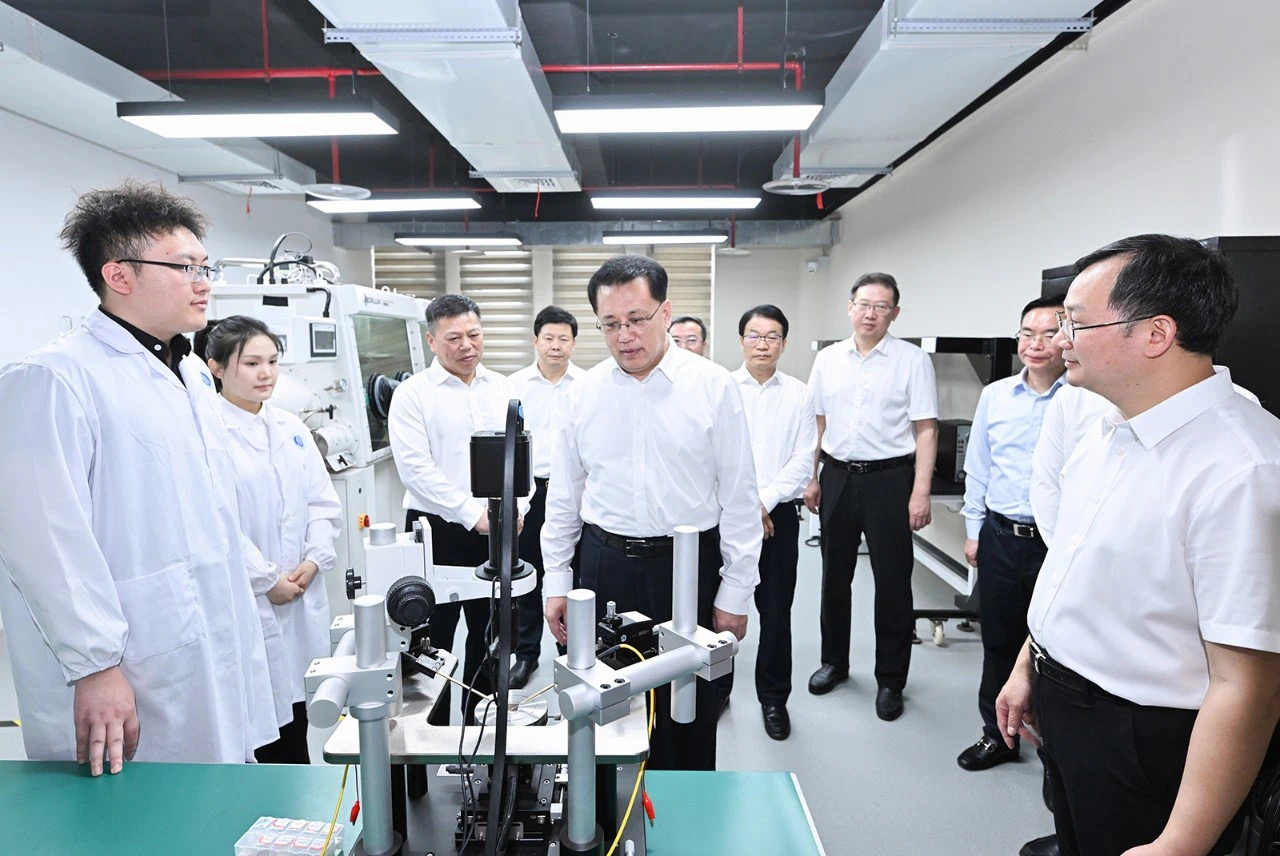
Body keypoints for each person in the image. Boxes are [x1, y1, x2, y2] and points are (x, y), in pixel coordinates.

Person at [997, 234, 1280, 856]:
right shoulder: (1108, 431)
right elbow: (1072, 572)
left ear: (1155, 333)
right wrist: (1028, 666)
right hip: (1064, 700)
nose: (1059, 340)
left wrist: (1180, 842)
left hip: (1142, 738)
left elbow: (1247, 687)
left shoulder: (1242, 467)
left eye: (1075, 322)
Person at [0, 181, 278, 775]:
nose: (205, 282)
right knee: (133, 810)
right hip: (127, 658)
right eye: (185, 267)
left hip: (205, 637)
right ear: (119, 276)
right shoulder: (53, 378)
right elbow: (44, 543)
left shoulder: (190, 374)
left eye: (206, 266)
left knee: (216, 791)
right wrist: (96, 666)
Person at [541, 254, 761, 771]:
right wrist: (556, 580)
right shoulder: (583, 393)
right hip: (605, 566)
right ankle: (608, 816)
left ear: (665, 312)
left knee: (689, 713)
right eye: (610, 324)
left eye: (637, 319)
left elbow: (740, 497)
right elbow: (564, 495)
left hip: (687, 569)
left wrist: (735, 593)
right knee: (603, 710)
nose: (625, 336)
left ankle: (683, 811)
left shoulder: (712, 386)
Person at [197, 316, 342, 764]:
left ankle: (299, 801)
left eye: (273, 362)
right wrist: (266, 580)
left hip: (300, 595)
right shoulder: (205, 433)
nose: (266, 374)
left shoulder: (291, 428)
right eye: (252, 363)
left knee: (297, 716)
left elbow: (321, 503)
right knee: (259, 725)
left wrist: (313, 560)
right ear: (216, 367)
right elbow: (216, 522)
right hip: (249, 599)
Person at [804, 272, 938, 722]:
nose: (870, 314)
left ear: (894, 313)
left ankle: (891, 680)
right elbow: (817, 422)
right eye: (863, 304)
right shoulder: (828, 359)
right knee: (833, 578)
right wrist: (811, 476)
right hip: (838, 476)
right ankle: (834, 663)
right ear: (850, 307)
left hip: (890, 480)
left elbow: (926, 429)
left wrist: (920, 492)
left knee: (893, 583)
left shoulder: (912, 360)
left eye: (881, 307)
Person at [388, 294, 525, 725]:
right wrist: (472, 514)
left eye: (474, 334)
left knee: (491, 636)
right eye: (453, 338)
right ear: (431, 341)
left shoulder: (504, 388)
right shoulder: (412, 395)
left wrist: (517, 506)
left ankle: (479, 727)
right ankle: (431, 732)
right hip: (436, 531)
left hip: (496, 528)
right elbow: (416, 471)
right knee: (432, 640)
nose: (467, 345)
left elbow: (524, 456)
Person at [955, 295, 1067, 772]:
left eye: (1049, 333)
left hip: (1057, 544)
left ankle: (1058, 748)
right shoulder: (996, 395)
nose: (1035, 344)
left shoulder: (1084, 399)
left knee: (1059, 647)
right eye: (1027, 333)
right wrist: (974, 530)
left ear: (1069, 337)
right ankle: (997, 736)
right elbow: (978, 466)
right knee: (999, 642)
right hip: (1001, 536)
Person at [728, 304, 817, 740]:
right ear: (741, 340)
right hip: (727, 514)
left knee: (777, 612)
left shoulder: (800, 394)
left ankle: (774, 699)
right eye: (754, 335)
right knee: (718, 609)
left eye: (772, 336)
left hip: (778, 516)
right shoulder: (722, 389)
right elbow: (713, 453)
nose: (762, 344)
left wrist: (763, 501)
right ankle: (716, 690)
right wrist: (748, 505)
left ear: (783, 343)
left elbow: (804, 458)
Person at [507, 305, 584, 689]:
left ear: (574, 343)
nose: (556, 346)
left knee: (575, 574)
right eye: (549, 338)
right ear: (535, 341)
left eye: (563, 339)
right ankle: (526, 654)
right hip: (530, 494)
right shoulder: (513, 386)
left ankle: (572, 652)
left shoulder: (587, 385)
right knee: (529, 575)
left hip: (576, 493)